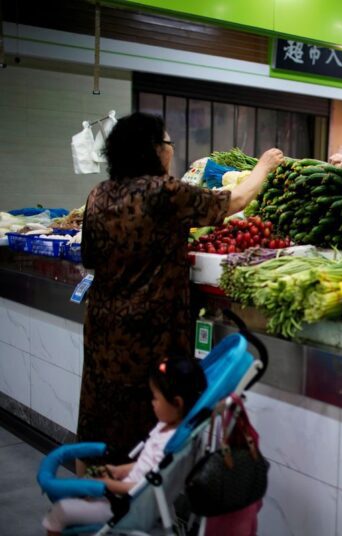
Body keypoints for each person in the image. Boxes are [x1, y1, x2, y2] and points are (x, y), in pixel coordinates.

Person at [78, 112, 283, 465]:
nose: (171, 151)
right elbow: (232, 202)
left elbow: (90, 256)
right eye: (169, 143)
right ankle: (136, 493)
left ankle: (90, 484)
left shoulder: (99, 195)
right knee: (150, 413)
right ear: (155, 150)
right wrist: (263, 166)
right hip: (149, 331)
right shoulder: (163, 192)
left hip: (103, 327)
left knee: (100, 409)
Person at [43, 357, 207, 535]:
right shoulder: (167, 427)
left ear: (177, 403)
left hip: (125, 507)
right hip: (125, 497)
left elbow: (143, 486)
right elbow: (147, 466)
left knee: (60, 511)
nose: (152, 403)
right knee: (78, 499)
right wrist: (119, 470)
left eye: (156, 398)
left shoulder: (168, 444)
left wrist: (107, 485)